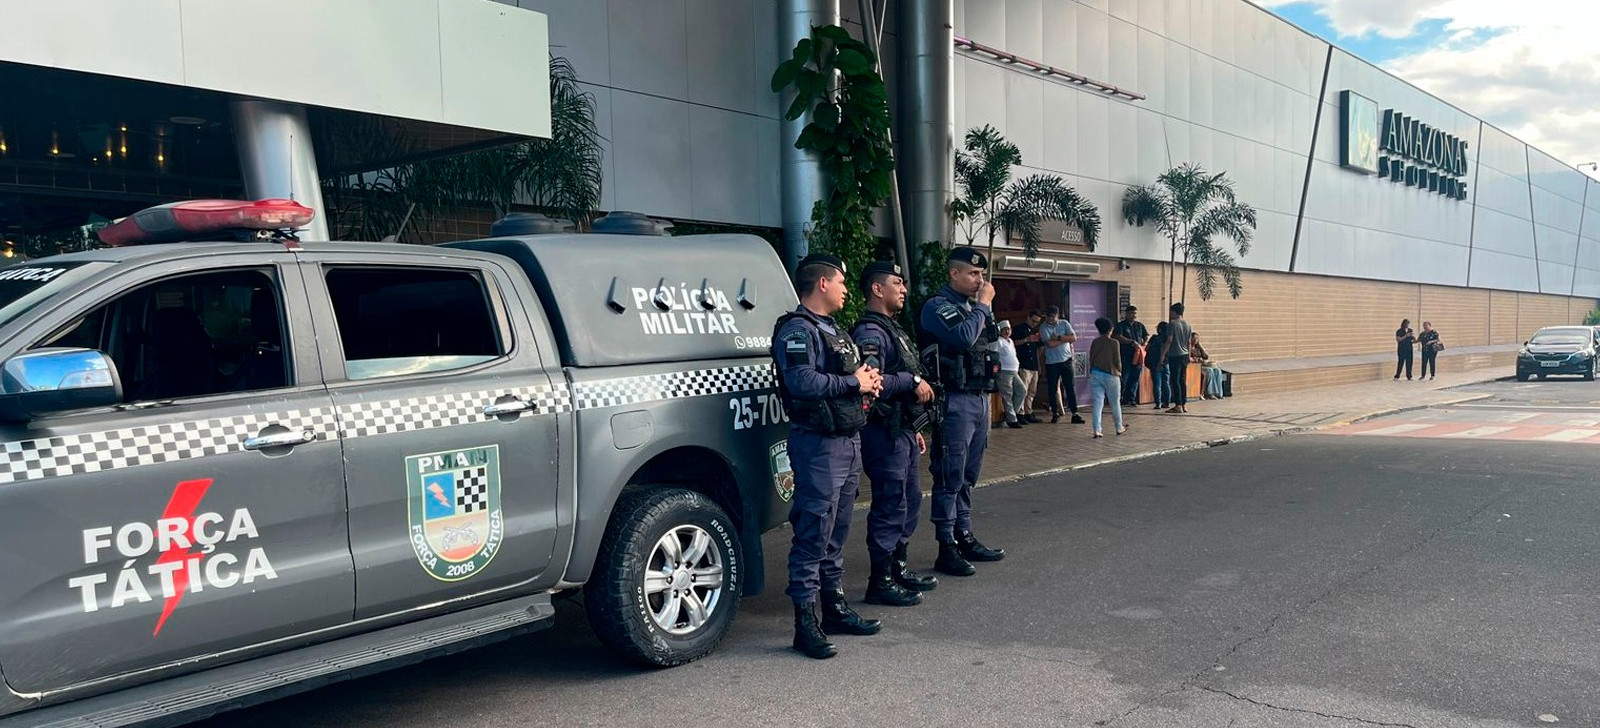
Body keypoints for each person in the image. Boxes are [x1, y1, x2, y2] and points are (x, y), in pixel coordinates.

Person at [770, 253, 884, 660]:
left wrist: (868, 381)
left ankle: (834, 609)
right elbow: (802, 381)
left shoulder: (833, 330)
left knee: (837, 529)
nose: (846, 289)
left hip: (847, 441)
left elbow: (850, 376)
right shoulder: (797, 330)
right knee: (813, 531)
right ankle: (805, 623)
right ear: (822, 284)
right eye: (841, 282)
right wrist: (853, 382)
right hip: (818, 445)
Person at [851, 261, 940, 610]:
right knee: (890, 503)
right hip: (882, 432)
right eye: (896, 283)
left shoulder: (892, 328)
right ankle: (880, 581)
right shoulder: (870, 333)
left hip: (901, 429)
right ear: (877, 289)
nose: (903, 289)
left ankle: (897, 568)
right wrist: (911, 381)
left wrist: (913, 428)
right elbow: (872, 382)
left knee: (910, 500)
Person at [918, 246, 1005, 577]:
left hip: (979, 397)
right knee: (950, 472)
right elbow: (964, 338)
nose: (980, 280)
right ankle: (946, 544)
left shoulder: (972, 308)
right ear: (954, 274)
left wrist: (982, 308)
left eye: (982, 274)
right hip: (954, 399)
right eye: (973, 273)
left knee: (969, 473)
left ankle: (964, 534)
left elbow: (989, 341)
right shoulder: (938, 306)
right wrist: (983, 305)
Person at [1039, 305, 1084, 424]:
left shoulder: (1064, 323)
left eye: (1053, 317)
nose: (1050, 319)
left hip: (1066, 360)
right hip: (1052, 363)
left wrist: (1058, 338)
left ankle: (1075, 413)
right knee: (1052, 389)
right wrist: (1065, 339)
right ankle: (1055, 413)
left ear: (1057, 316)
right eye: (1048, 317)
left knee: (1070, 387)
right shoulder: (1043, 327)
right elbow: (1050, 344)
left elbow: (1074, 338)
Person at [1087, 317, 1126, 438]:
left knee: (1097, 403)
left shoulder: (1095, 342)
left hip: (1096, 374)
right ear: (1110, 329)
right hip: (1111, 374)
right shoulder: (1114, 342)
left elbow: (1091, 358)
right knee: (1115, 403)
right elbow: (1117, 360)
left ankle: (1097, 429)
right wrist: (1120, 370)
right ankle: (1119, 427)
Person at [991, 320, 1026, 428]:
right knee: (1007, 395)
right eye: (1004, 329)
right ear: (1000, 331)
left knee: (1022, 390)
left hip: (1014, 371)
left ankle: (1011, 414)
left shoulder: (1010, 341)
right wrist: (995, 371)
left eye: (1008, 329)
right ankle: (1012, 420)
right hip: (1004, 372)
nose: (1007, 331)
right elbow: (994, 357)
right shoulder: (998, 341)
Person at [1012, 309, 1045, 422]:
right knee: (1023, 390)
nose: (1034, 324)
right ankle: (1020, 413)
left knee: (1032, 391)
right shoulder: (1019, 329)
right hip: (1023, 363)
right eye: (1033, 321)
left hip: (1033, 364)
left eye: (1037, 322)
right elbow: (1013, 343)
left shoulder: (1036, 331)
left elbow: (1040, 347)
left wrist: (1039, 364)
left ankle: (1028, 412)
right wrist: (1026, 339)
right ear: (1028, 317)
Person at [1112, 306, 1149, 406]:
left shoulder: (1139, 325)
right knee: (1124, 378)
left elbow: (1146, 335)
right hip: (1126, 356)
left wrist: (1144, 343)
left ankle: (1131, 398)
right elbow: (1118, 337)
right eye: (1131, 313)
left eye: (1135, 313)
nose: (1133, 315)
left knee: (1135, 378)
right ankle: (1121, 398)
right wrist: (1131, 342)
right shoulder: (1121, 325)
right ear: (1127, 314)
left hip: (1138, 356)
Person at [1161, 302, 1194, 413]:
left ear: (1174, 312)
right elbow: (1189, 342)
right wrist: (1189, 355)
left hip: (1175, 354)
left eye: (1171, 312)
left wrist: (1163, 355)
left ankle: (1178, 404)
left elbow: (1169, 340)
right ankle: (1184, 404)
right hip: (1185, 355)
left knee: (1175, 380)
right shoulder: (1188, 325)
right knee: (1182, 380)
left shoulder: (1172, 324)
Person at [1191, 332, 1224, 399]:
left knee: (1217, 370)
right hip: (1196, 367)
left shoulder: (1198, 347)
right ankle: (1209, 393)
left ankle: (1218, 393)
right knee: (1209, 371)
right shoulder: (1189, 348)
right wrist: (1197, 359)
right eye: (1194, 338)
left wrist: (1200, 348)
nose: (1196, 340)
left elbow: (1205, 356)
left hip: (1203, 365)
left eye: (1197, 338)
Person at [1147, 321, 1172, 409]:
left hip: (1155, 363)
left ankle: (1158, 403)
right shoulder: (1168, 339)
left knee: (1157, 384)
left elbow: (1147, 348)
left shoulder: (1154, 338)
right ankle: (1167, 402)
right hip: (1166, 363)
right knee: (1166, 383)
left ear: (1159, 329)